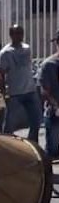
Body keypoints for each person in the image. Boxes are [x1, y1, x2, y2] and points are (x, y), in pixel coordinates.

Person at [0, 25, 42, 142]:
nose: (19, 36)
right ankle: (6, 145)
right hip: (14, 93)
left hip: (30, 90)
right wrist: (4, 93)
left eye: (21, 33)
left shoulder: (27, 48)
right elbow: (0, 73)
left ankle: (33, 143)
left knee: (36, 120)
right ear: (11, 35)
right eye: (16, 33)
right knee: (10, 124)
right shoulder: (5, 52)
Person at [39, 30, 59, 158]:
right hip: (55, 113)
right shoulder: (48, 65)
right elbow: (45, 91)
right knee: (53, 149)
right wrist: (56, 106)